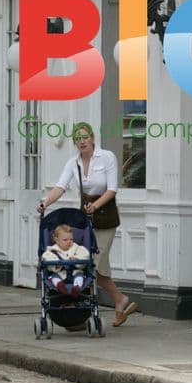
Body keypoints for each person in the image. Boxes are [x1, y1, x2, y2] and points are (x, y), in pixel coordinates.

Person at [39, 122, 137, 327]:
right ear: (74, 142)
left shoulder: (107, 157)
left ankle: (83, 312)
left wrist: (95, 205)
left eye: (85, 137)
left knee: (89, 264)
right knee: (92, 266)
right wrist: (46, 202)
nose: (82, 141)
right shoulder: (72, 163)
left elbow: (112, 189)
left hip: (105, 218)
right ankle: (117, 301)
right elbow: (60, 187)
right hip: (85, 220)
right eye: (78, 138)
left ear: (92, 138)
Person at [41, 223, 89, 297]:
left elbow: (85, 256)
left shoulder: (77, 248)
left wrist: (77, 259)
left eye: (71, 239)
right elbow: (47, 258)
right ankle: (59, 285)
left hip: (75, 273)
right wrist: (56, 263)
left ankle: (76, 288)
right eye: (65, 240)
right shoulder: (52, 250)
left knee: (80, 276)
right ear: (56, 240)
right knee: (54, 277)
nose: (69, 241)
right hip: (60, 274)